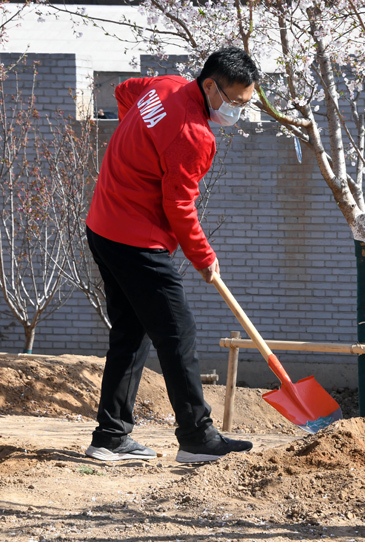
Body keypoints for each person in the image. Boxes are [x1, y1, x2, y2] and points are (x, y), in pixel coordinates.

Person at [84, 47, 260, 463]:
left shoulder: (165, 86)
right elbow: (179, 206)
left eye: (245, 104)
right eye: (234, 102)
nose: (237, 111)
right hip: (136, 240)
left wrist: (142, 143)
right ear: (211, 85)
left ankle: (110, 437)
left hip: (103, 225)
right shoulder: (194, 135)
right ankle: (197, 437)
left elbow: (125, 92)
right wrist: (204, 257)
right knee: (178, 334)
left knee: (130, 334)